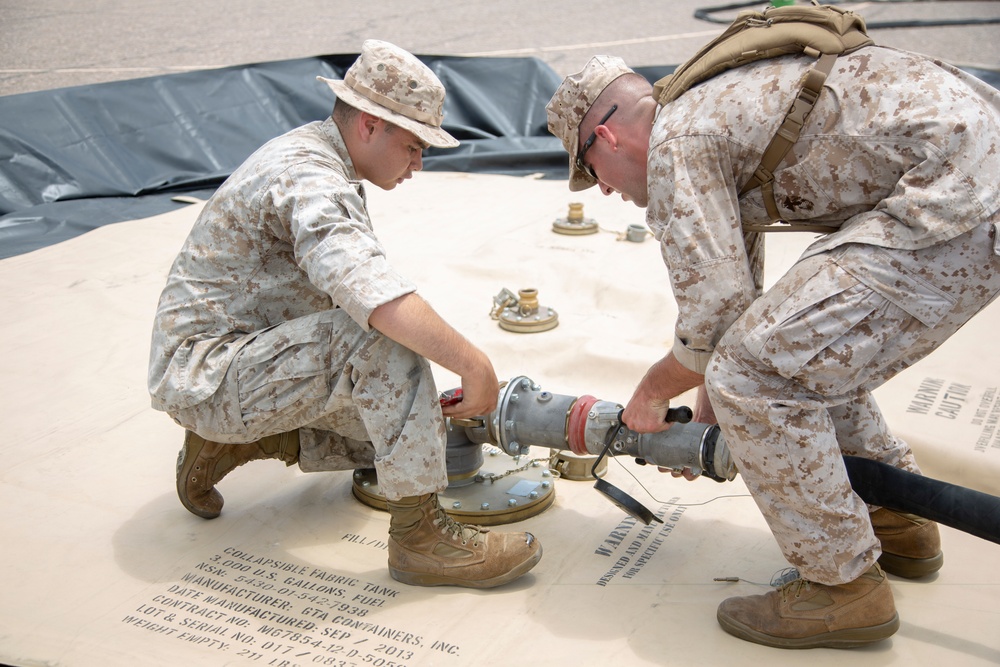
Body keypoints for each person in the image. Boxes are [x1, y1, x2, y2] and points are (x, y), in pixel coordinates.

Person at [546, 41, 1000, 648]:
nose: (600, 190)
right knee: (786, 351)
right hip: (970, 168)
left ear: (606, 137)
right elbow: (737, 302)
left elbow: (713, 322)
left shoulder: (675, 145)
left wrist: (652, 395)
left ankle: (841, 588)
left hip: (954, 196)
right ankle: (894, 519)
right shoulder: (702, 110)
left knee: (754, 375)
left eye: (591, 171)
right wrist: (711, 393)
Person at [148, 39, 541, 590]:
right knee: (385, 345)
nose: (418, 163)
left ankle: (239, 440)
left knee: (409, 429)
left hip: (236, 360)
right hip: (210, 375)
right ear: (369, 126)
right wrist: (475, 364)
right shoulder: (310, 178)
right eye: (413, 145)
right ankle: (421, 542)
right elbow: (376, 300)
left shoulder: (320, 158)